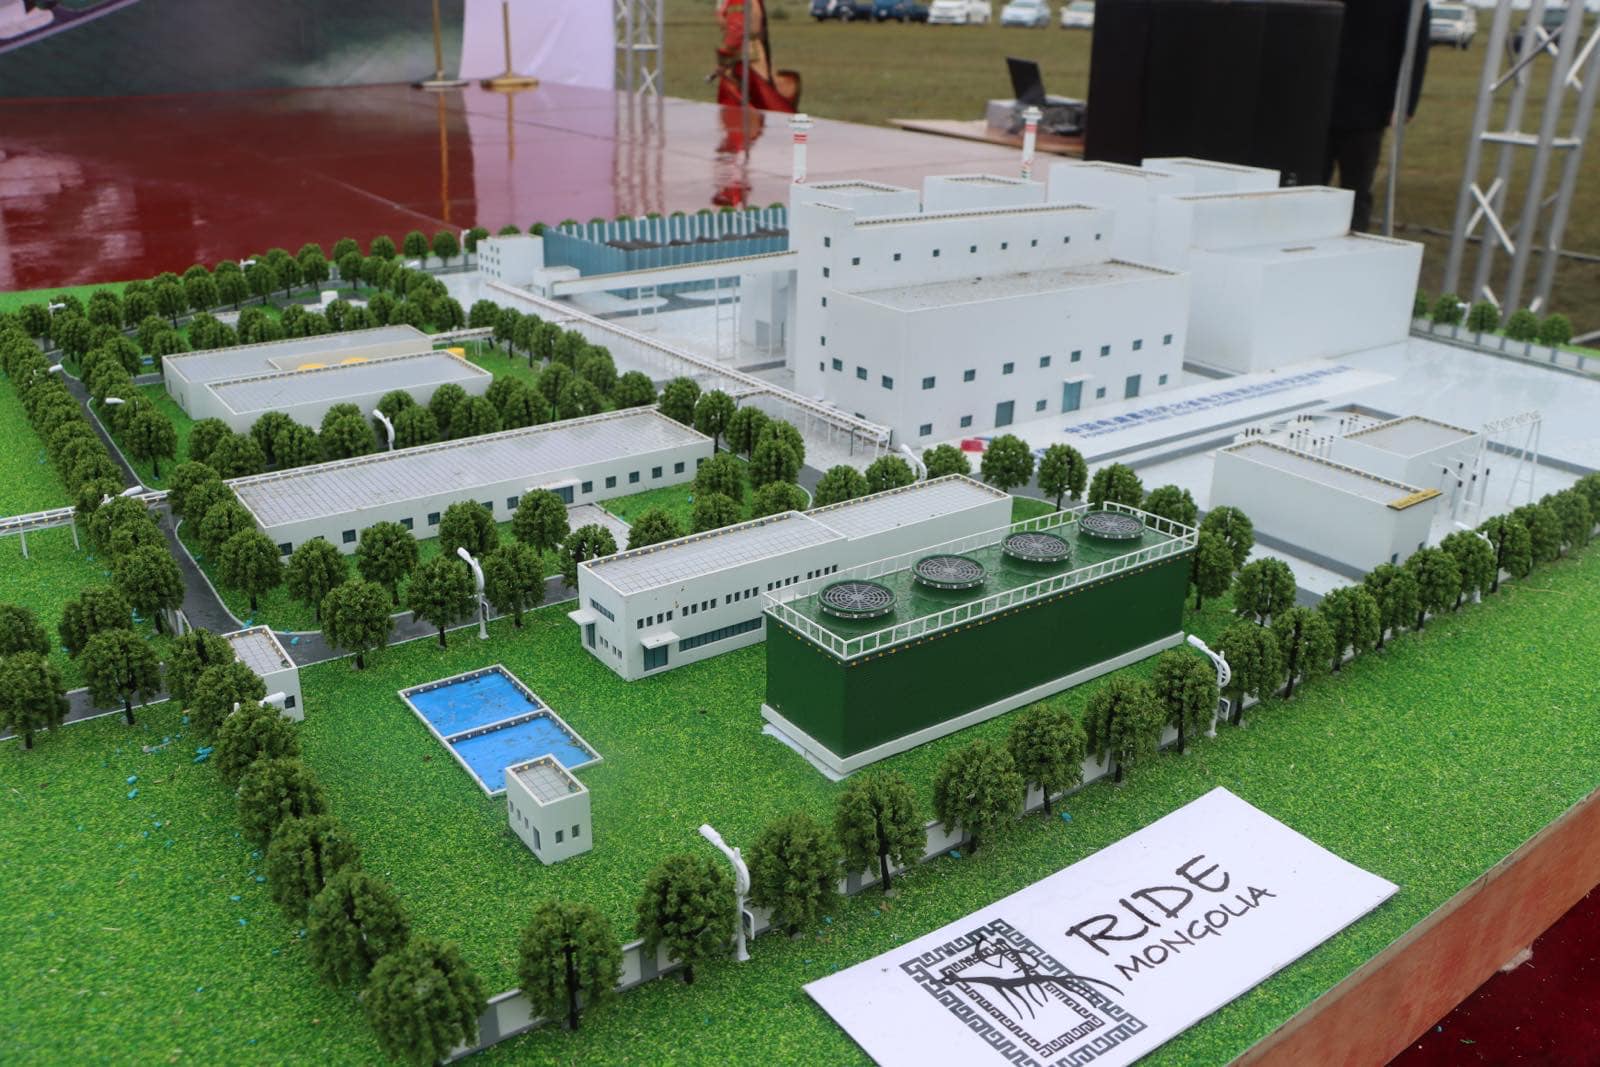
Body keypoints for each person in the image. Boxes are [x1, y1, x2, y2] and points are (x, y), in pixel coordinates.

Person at [1324, 0, 1430, 232]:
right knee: (1308, 182)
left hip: (1368, 107)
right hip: (1319, 101)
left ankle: (1354, 240)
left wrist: (1406, 102)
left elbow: (1416, 49)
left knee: (1357, 188)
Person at [715, 0, 800, 113]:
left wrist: (725, 58)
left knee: (760, 105)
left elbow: (737, 30)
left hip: (746, 63)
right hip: (750, 59)